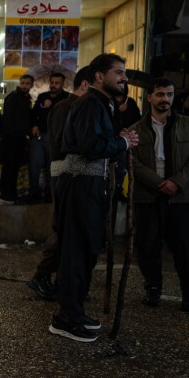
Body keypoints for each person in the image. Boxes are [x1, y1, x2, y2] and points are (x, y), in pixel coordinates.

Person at [50, 54, 139, 343]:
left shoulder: (101, 104)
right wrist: (122, 142)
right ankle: (66, 318)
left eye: (124, 73)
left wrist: (117, 139)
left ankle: (75, 311)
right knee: (76, 251)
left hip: (90, 184)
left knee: (87, 248)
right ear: (100, 76)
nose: (124, 78)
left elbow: (98, 142)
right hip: (81, 184)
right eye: (119, 73)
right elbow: (91, 146)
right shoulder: (90, 103)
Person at [130, 78, 189, 313]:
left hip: (178, 197)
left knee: (184, 247)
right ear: (150, 97)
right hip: (148, 195)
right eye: (160, 94)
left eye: (169, 94)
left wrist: (177, 181)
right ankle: (153, 288)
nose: (165, 99)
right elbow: (131, 160)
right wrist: (158, 182)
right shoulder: (135, 130)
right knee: (147, 244)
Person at [28, 66, 91, 300]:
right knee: (62, 227)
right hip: (65, 173)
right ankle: (42, 275)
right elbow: (65, 143)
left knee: (68, 229)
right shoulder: (66, 107)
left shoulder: (68, 104)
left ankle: (56, 278)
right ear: (86, 84)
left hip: (69, 172)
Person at [29, 72, 69, 202]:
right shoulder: (42, 96)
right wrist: (34, 125)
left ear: (62, 84)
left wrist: (52, 104)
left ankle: (50, 194)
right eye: (52, 82)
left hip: (56, 139)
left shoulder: (66, 98)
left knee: (52, 167)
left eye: (57, 83)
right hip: (40, 136)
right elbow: (34, 113)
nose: (54, 85)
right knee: (35, 164)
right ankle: (34, 193)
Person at [0, 74, 34, 204]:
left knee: (14, 167)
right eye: (23, 83)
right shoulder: (13, 97)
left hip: (19, 139)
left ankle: (10, 194)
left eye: (27, 83)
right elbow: (8, 119)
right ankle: (6, 195)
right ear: (20, 83)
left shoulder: (26, 99)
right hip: (11, 139)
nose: (24, 85)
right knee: (9, 167)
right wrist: (12, 135)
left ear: (31, 85)